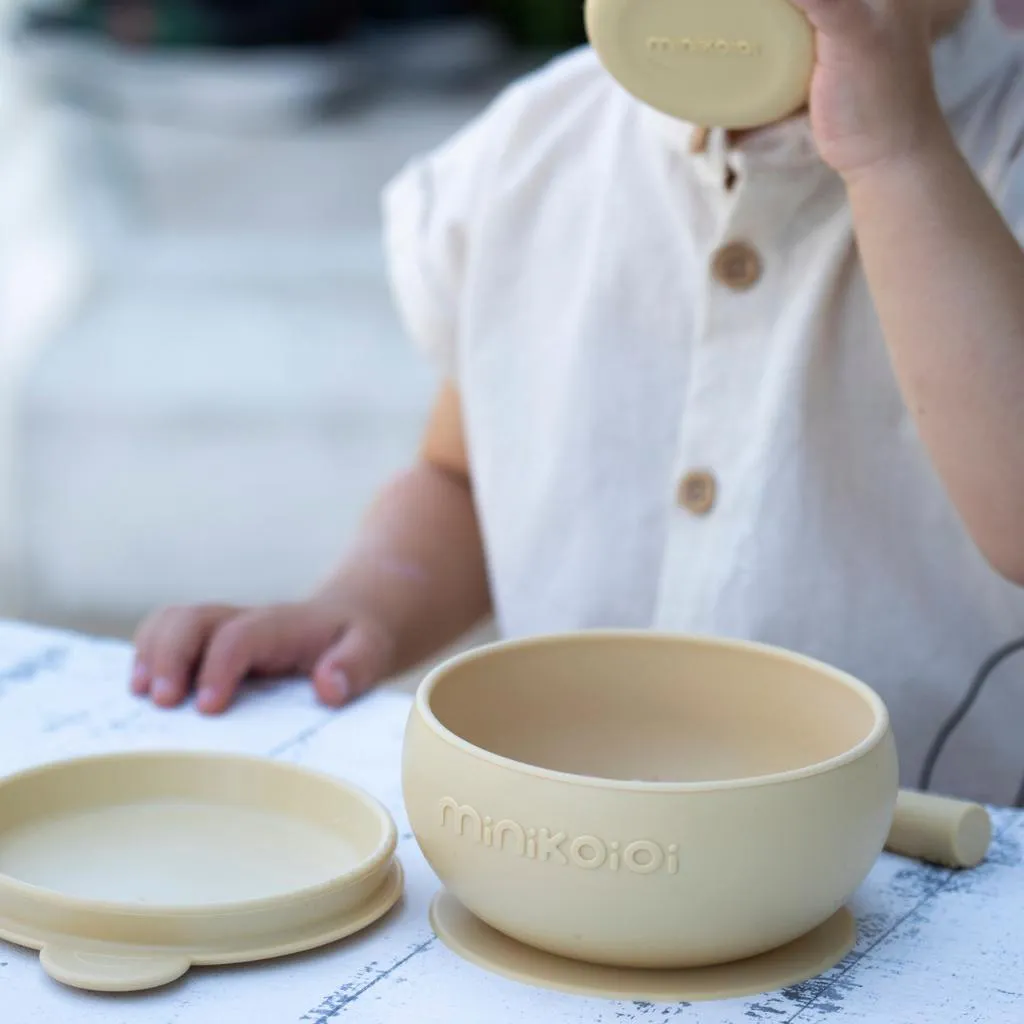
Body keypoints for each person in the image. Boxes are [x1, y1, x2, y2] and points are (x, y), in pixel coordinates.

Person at [131, 0, 1024, 805]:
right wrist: (363, 607)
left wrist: (895, 154)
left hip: (913, 865)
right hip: (577, 838)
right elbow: (462, 479)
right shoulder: (538, 147)